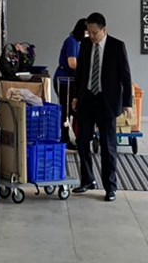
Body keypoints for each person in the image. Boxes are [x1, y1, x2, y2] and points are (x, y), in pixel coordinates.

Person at [73, 12, 133, 200]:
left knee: (108, 146)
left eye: (94, 32)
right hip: (87, 99)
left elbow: (126, 76)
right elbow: (80, 72)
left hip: (107, 102)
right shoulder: (84, 45)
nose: (91, 36)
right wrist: (75, 96)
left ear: (104, 30)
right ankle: (87, 180)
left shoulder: (117, 46)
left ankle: (110, 187)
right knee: (82, 141)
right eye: (89, 32)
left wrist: (128, 104)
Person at [54, 18, 88, 139]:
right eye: (87, 31)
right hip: (64, 81)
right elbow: (72, 63)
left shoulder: (80, 43)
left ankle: (77, 137)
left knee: (75, 110)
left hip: (73, 81)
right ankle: (64, 138)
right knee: (66, 110)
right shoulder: (72, 42)